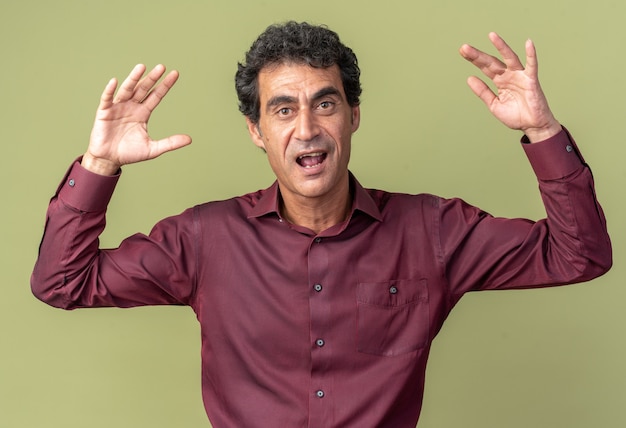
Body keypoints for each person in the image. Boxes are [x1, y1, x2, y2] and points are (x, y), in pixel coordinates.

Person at [31, 21, 612, 427]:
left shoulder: (433, 231)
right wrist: (100, 164)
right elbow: (62, 283)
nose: (306, 128)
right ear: (257, 130)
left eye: (325, 103)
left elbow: (579, 255)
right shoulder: (204, 239)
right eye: (282, 108)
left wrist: (541, 130)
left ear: (353, 116)